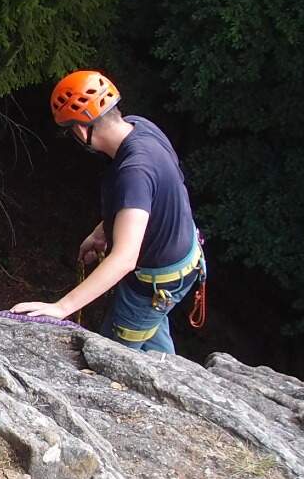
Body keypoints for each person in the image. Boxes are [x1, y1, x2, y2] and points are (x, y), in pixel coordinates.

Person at [11, 70, 205, 353]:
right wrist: (101, 232)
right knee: (153, 339)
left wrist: (61, 307)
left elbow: (125, 258)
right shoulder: (143, 128)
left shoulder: (133, 171)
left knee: (111, 355)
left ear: (80, 130)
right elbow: (156, 194)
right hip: (183, 259)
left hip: (155, 281)